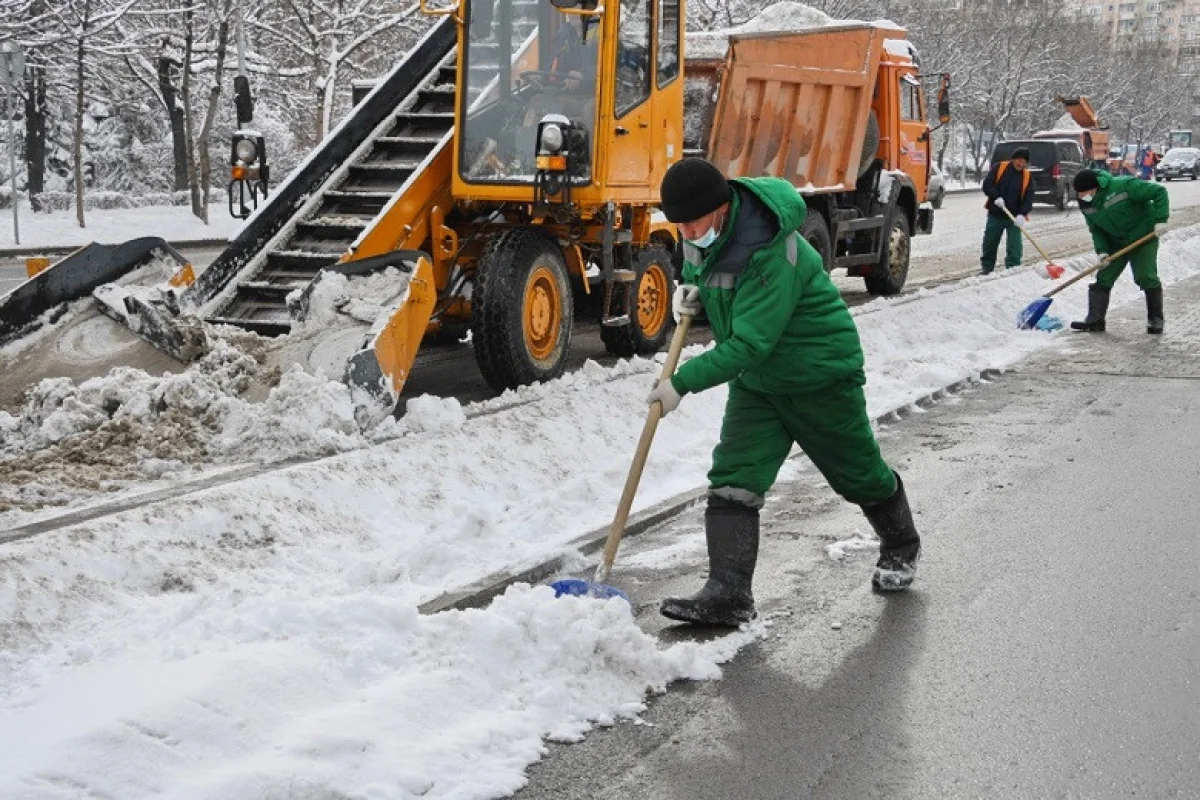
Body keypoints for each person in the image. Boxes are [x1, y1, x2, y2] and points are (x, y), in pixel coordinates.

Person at [647, 158, 922, 627]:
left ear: (721, 207)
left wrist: (681, 384)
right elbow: (710, 275)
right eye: (679, 223)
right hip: (760, 385)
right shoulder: (700, 234)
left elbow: (750, 343)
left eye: (693, 220)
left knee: (858, 475)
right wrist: (691, 291)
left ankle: (901, 545)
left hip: (819, 376)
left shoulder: (771, 251)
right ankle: (728, 592)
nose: (687, 231)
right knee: (734, 475)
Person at [1070, 169, 1170, 334]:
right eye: (1079, 194)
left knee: (1145, 275)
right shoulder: (1086, 205)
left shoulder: (1123, 186)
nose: (1082, 197)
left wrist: (1161, 219)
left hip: (1143, 236)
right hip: (1116, 241)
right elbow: (1096, 230)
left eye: (1085, 192)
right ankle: (1095, 320)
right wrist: (1102, 251)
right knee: (1104, 276)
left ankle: (1155, 319)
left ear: (1096, 187)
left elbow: (1159, 192)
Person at [979, 146, 1034, 275]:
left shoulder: (1027, 176)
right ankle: (987, 268)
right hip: (996, 214)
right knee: (990, 243)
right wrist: (995, 196)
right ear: (1013, 159)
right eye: (1019, 160)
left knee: (1015, 246)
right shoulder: (1000, 167)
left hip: (1014, 217)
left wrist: (1022, 214)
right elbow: (987, 184)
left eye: (1024, 162)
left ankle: (1013, 270)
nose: (1021, 164)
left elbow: (1029, 197)